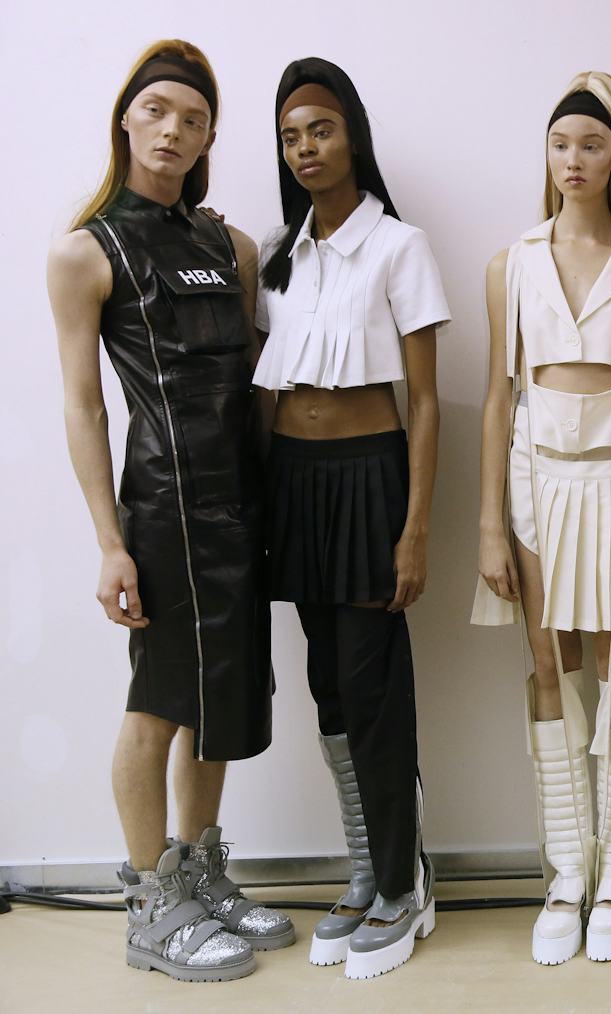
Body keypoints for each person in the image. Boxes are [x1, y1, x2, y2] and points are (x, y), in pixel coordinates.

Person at [47, 38, 292, 982]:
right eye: (157, 111)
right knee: (158, 704)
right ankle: (152, 907)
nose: (172, 131)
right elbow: (83, 406)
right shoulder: (85, 251)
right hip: (161, 512)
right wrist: (109, 543)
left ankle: (200, 874)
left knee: (218, 702)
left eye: (193, 120)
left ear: (208, 139)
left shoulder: (230, 246)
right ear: (126, 119)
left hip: (240, 505)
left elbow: (255, 379)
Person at [472, 71, 611, 965]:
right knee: (549, 657)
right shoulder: (512, 263)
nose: (574, 159)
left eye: (591, 144)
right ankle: (568, 869)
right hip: (536, 470)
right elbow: (498, 397)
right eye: (561, 143)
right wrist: (489, 525)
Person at [254, 57, 449, 979]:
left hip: (372, 475)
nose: (306, 149)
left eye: (321, 130)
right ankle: (368, 867)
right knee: (328, 684)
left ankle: (406, 885)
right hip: (293, 482)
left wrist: (415, 528)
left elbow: (428, 402)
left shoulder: (399, 246)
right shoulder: (278, 254)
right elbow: (262, 391)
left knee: (372, 685)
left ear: (353, 136)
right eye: (291, 136)